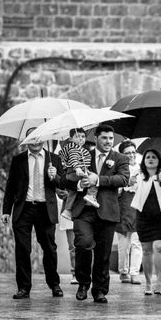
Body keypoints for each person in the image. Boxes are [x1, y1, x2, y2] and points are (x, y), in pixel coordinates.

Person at [59, 124, 130, 304]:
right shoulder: (83, 154)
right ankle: (83, 283)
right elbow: (67, 177)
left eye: (110, 139)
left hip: (107, 211)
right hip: (83, 210)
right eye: (104, 138)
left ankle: (99, 290)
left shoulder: (119, 158)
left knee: (103, 254)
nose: (108, 141)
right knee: (82, 244)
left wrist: (97, 179)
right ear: (96, 138)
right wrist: (78, 184)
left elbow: (123, 179)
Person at [1, 127, 63, 299]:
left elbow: (63, 184)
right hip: (24, 208)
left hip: (46, 209)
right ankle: (24, 288)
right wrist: (6, 210)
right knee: (22, 249)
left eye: (38, 138)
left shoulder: (54, 159)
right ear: (26, 140)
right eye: (32, 138)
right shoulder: (18, 160)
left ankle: (54, 284)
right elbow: (10, 187)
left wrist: (55, 176)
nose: (35, 141)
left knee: (50, 249)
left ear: (44, 139)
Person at [131, 149, 161, 295]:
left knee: (159, 247)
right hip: (143, 217)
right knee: (147, 250)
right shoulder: (138, 175)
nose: (150, 159)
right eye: (147, 157)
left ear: (159, 160)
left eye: (154, 157)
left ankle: (159, 282)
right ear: (143, 161)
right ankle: (148, 283)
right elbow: (129, 187)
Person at [115, 140, 143, 285]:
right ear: (122, 155)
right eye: (127, 153)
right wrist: (125, 182)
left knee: (137, 241)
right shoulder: (118, 168)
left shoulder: (142, 168)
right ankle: (123, 271)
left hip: (139, 206)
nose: (131, 155)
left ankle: (135, 272)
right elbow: (113, 190)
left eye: (133, 152)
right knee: (124, 243)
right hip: (123, 205)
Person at [59, 128, 98, 218]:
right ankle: (91, 195)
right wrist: (77, 169)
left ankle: (67, 209)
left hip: (75, 172)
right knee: (94, 178)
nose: (81, 139)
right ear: (71, 139)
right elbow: (73, 158)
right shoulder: (73, 148)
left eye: (83, 136)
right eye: (77, 136)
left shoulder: (80, 148)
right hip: (74, 172)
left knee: (73, 191)